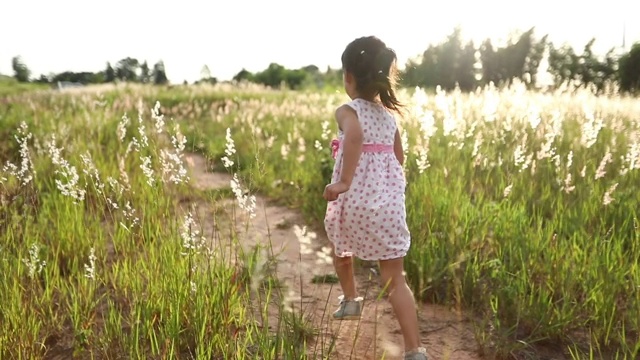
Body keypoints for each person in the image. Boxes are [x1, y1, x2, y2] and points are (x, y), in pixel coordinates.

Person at [323, 36, 428, 360]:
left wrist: (344, 180)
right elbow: (397, 155)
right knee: (395, 278)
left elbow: (355, 136)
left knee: (341, 247)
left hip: (355, 201)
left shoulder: (347, 110)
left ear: (349, 77)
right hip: (388, 207)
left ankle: (352, 299)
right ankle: (414, 349)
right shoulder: (388, 116)